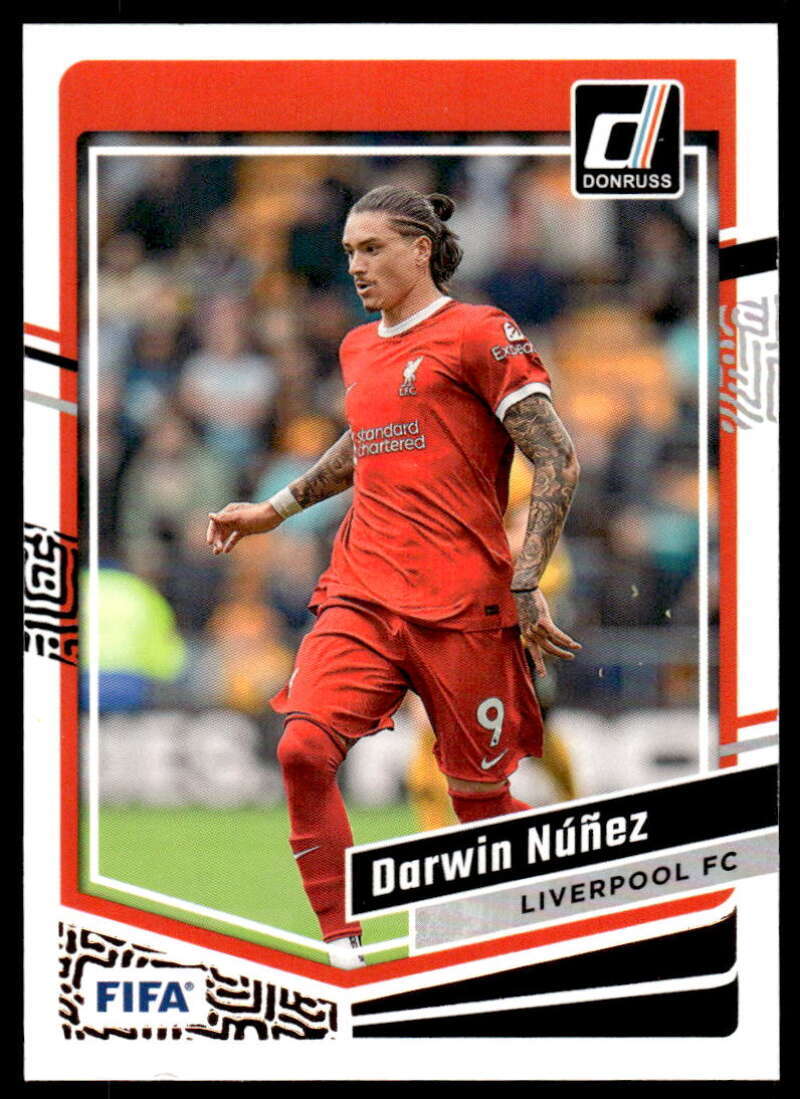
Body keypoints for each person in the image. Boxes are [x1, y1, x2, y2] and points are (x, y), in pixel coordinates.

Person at [206, 186, 580, 969]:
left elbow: (557, 456)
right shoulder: (357, 348)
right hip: (362, 590)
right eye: (349, 252)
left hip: (464, 604)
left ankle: (554, 901)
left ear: (421, 248)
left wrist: (524, 581)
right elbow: (365, 438)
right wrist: (276, 508)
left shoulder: (482, 332)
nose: (355, 265)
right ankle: (343, 943)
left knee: (478, 803)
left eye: (371, 248)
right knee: (302, 749)